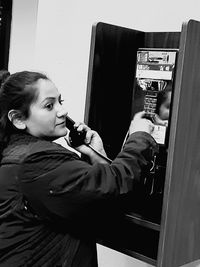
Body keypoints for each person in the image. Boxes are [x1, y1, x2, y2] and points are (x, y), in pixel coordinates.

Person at [0, 70, 157, 267]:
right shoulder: (34, 162)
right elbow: (113, 185)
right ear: (18, 119)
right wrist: (140, 136)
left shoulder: (20, 151)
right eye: (49, 106)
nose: (62, 111)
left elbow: (96, 192)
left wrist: (94, 153)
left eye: (60, 101)